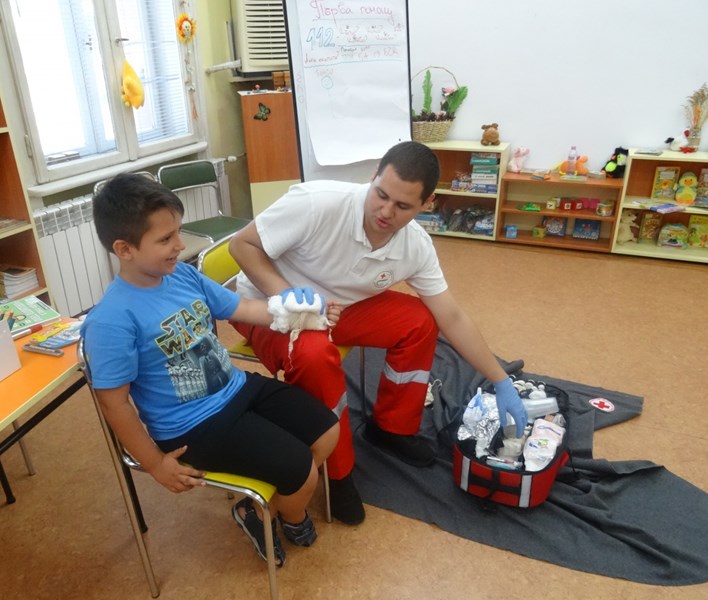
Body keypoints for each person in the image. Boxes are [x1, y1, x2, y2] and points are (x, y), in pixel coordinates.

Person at [229, 141, 527, 525]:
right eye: (381, 195)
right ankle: (337, 473)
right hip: (266, 307)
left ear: (427, 203)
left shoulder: (415, 246)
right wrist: (286, 296)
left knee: (421, 321)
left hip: (336, 308)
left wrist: (500, 379)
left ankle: (392, 428)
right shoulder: (318, 203)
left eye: (402, 206)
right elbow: (242, 245)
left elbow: (451, 316)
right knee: (314, 356)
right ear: (372, 178)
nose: (385, 212)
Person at [81, 173, 341, 567]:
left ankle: (258, 511)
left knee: (327, 431)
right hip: (192, 426)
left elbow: (244, 308)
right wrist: (154, 463)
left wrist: (299, 312)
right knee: (302, 471)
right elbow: (113, 403)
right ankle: (289, 515)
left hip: (235, 387)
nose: (180, 244)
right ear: (124, 249)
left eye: (178, 232)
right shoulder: (112, 319)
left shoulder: (182, 275)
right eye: (166, 239)